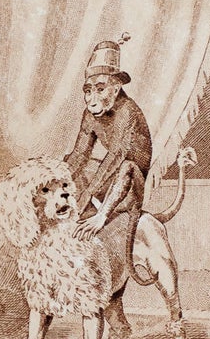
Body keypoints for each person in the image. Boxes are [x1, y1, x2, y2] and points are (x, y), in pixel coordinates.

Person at [64, 35, 152, 244]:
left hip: (129, 186)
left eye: (100, 89)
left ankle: (101, 216)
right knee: (69, 162)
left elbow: (116, 158)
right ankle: (78, 214)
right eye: (88, 91)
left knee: (127, 166)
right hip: (109, 184)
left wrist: (86, 196)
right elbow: (79, 155)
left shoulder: (127, 111)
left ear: (116, 88)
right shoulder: (90, 113)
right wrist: (56, 182)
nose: (92, 100)